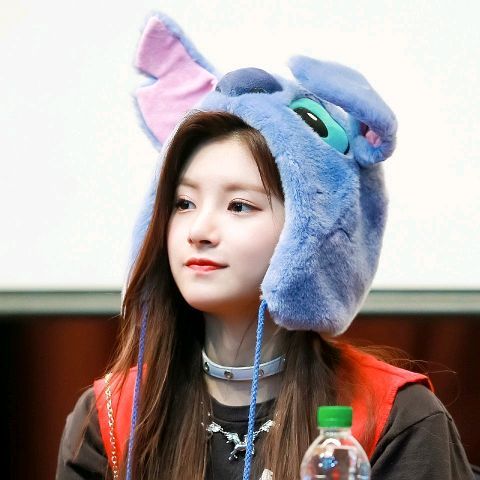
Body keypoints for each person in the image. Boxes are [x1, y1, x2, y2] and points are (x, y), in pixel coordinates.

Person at [56, 13, 474, 480]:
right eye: (183, 203)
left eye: (239, 205)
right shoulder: (111, 417)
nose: (199, 230)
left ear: (309, 233)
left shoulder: (394, 415)